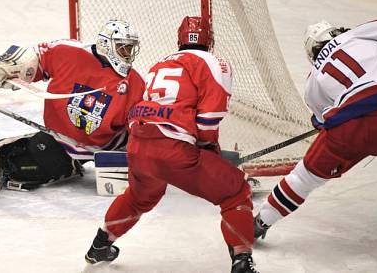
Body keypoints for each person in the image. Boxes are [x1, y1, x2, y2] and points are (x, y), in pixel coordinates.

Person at [84, 16, 259, 273]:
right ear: (209, 41)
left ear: (180, 40)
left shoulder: (161, 63)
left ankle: (100, 244)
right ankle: (242, 261)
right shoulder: (214, 62)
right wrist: (209, 149)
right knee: (235, 193)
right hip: (175, 149)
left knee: (139, 197)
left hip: (139, 144)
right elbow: (209, 116)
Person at [254, 19, 377, 240]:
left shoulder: (313, 81)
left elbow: (323, 123)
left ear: (312, 53)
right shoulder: (362, 33)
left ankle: (261, 221)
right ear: (337, 31)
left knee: (305, 177)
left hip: (350, 129)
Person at [0, 20, 146, 190]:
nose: (128, 54)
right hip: (63, 139)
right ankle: (58, 158)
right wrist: (16, 73)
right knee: (20, 167)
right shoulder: (70, 51)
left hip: (107, 147)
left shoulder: (135, 82)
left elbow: (137, 124)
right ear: (106, 44)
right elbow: (36, 62)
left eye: (130, 48)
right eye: (124, 47)